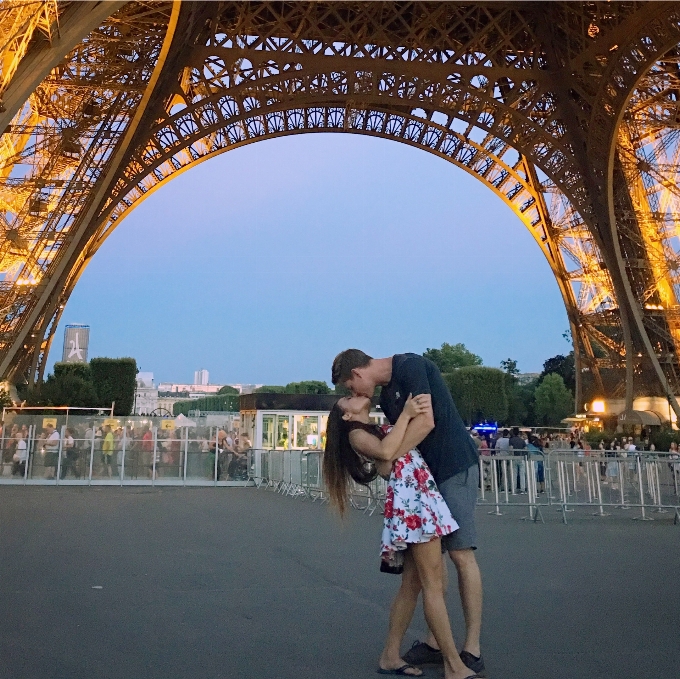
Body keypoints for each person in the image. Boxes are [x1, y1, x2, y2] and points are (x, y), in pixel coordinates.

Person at [332, 349, 485, 677]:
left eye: (351, 388)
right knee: (431, 576)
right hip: (421, 495)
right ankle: (445, 651)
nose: (355, 394)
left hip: (448, 469)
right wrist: (390, 452)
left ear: (358, 373)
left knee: (454, 560)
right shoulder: (381, 408)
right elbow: (392, 452)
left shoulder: (410, 367)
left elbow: (424, 423)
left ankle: (468, 648)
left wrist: (390, 453)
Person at [508, 427, 527, 493]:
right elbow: (525, 449)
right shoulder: (522, 440)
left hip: (514, 458)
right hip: (521, 457)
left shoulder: (511, 440)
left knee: (514, 474)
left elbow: (511, 449)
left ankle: (514, 488)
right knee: (522, 474)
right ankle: (523, 489)